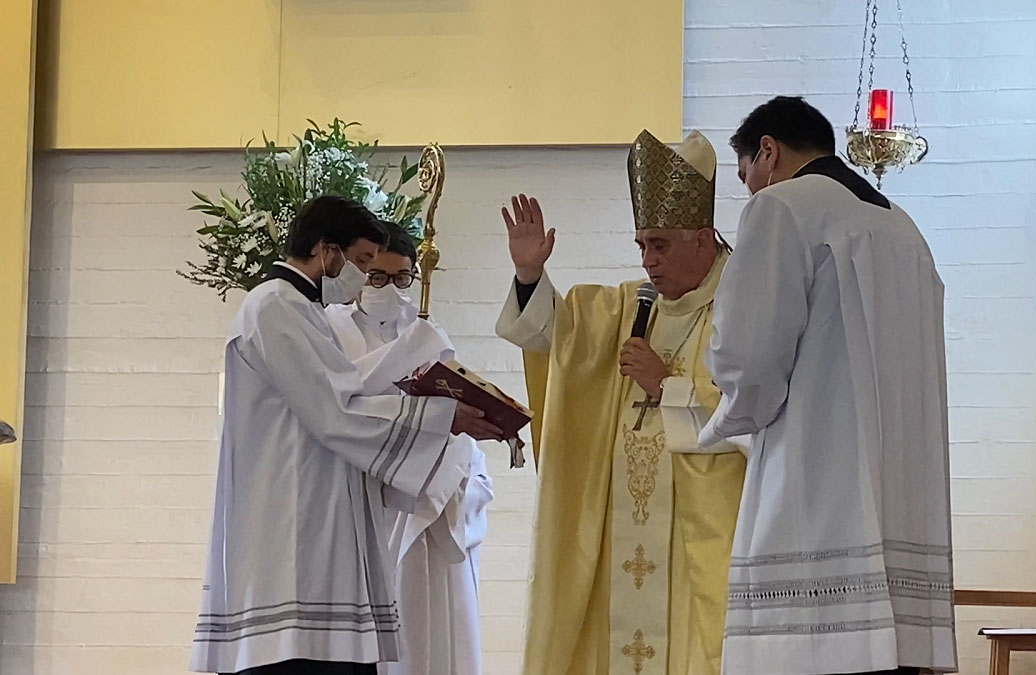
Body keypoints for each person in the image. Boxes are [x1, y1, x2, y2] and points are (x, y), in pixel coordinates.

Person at [190, 196, 503, 675]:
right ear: (326, 250)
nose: (361, 275)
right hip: (292, 509)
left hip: (318, 498)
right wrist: (442, 417)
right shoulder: (276, 305)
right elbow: (335, 410)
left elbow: (339, 392)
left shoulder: (295, 306)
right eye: (361, 262)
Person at [699, 96, 957, 675]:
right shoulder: (902, 225)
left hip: (816, 500)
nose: (750, 192)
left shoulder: (782, 208)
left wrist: (723, 418)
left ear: (767, 152)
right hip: (903, 511)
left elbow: (749, 359)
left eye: (746, 176)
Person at [496, 130, 746, 675]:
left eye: (660, 245)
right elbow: (556, 339)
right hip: (623, 534)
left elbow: (755, 418)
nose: (647, 261)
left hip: (699, 541)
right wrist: (529, 275)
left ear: (703, 239)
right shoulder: (629, 306)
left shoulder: (745, 305)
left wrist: (667, 389)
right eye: (641, 246)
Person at [324, 223, 493, 675]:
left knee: (425, 624)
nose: (388, 288)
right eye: (377, 276)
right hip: (360, 487)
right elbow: (334, 404)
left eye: (402, 278)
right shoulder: (329, 327)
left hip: (423, 489)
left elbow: (449, 404)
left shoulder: (428, 331)